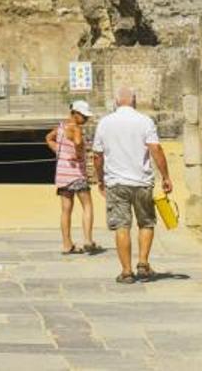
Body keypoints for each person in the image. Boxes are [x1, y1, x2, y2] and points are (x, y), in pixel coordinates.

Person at [91, 87, 173, 284]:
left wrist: (100, 178)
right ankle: (143, 263)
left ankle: (126, 271)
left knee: (121, 226)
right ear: (134, 101)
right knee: (146, 222)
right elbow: (156, 149)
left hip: (116, 183)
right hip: (142, 181)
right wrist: (166, 176)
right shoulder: (145, 121)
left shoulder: (105, 123)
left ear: (116, 102)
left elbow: (97, 155)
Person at [45, 99, 101, 255]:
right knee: (87, 205)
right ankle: (88, 240)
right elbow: (77, 142)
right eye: (84, 116)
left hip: (62, 174)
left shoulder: (61, 127)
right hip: (76, 174)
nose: (86, 119)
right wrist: (78, 153)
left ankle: (67, 244)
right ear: (75, 113)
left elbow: (48, 138)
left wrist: (59, 151)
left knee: (65, 210)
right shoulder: (76, 129)